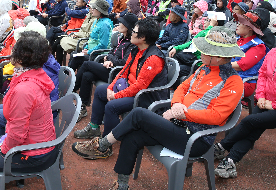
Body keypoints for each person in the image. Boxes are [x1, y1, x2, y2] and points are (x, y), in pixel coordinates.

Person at [73, 26, 244, 190]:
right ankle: (122, 184)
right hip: (178, 124)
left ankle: (102, 145)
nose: (202, 53)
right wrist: (177, 105)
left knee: (138, 114)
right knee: (132, 136)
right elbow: (182, 88)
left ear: (219, 57)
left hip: (195, 138)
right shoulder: (203, 68)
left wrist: (183, 113)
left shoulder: (232, 81)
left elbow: (217, 116)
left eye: (207, 51)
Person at [214, 17, 276, 179]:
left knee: (249, 121)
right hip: (266, 102)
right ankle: (230, 161)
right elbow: (263, 76)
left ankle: (221, 146)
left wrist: (274, 105)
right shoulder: (274, 52)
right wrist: (260, 97)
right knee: (253, 129)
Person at [0, 32, 59, 190]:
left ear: (21, 58)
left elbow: (17, 134)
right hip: (39, 142)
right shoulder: (36, 73)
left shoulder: (24, 90)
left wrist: (4, 148)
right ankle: (0, 179)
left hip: (35, 154)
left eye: (15, 49)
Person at [72, 17, 169, 149]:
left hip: (146, 96)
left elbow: (140, 86)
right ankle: (94, 127)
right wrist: (111, 87)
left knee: (112, 106)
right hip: (132, 89)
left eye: (134, 31)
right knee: (101, 91)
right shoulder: (136, 49)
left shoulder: (154, 58)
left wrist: (116, 96)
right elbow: (123, 71)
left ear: (143, 37)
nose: (132, 33)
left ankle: (105, 146)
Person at [0, 26, 60, 140]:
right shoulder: (38, 66)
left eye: (16, 49)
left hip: (35, 124)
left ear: (26, 54)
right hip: (39, 114)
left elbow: (18, 130)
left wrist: (3, 146)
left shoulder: (28, 84)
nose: (12, 51)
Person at [74, 13, 137, 122]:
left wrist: (110, 60)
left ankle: (72, 89)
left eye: (122, 22)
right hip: (109, 68)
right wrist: (109, 58)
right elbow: (111, 52)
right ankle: (83, 107)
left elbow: (124, 62)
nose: (119, 24)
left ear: (128, 27)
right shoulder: (121, 37)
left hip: (117, 73)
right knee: (87, 75)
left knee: (86, 64)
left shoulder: (132, 43)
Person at [68, 0, 113, 71]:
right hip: (91, 51)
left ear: (100, 11)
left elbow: (103, 45)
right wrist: (86, 48)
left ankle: (67, 77)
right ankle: (69, 77)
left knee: (76, 58)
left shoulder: (105, 24)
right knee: (73, 54)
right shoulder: (96, 20)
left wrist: (89, 52)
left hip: (98, 54)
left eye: (94, 8)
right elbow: (92, 38)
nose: (92, 10)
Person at [231, 12, 268, 98]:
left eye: (241, 23)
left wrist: (218, 64)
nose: (237, 25)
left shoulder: (258, 46)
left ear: (250, 28)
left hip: (245, 82)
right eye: (238, 23)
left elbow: (240, 66)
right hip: (230, 76)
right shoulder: (236, 40)